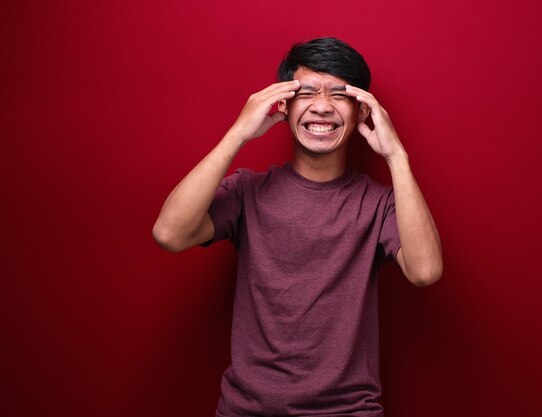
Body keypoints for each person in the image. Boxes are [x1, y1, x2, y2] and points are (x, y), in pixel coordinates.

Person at [152, 37, 442, 417]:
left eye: (339, 95)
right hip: (246, 410)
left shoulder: (379, 204)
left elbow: (425, 271)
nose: (322, 106)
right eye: (307, 92)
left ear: (360, 111)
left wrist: (396, 155)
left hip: (347, 411)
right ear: (283, 105)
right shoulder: (247, 192)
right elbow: (169, 234)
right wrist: (238, 133)